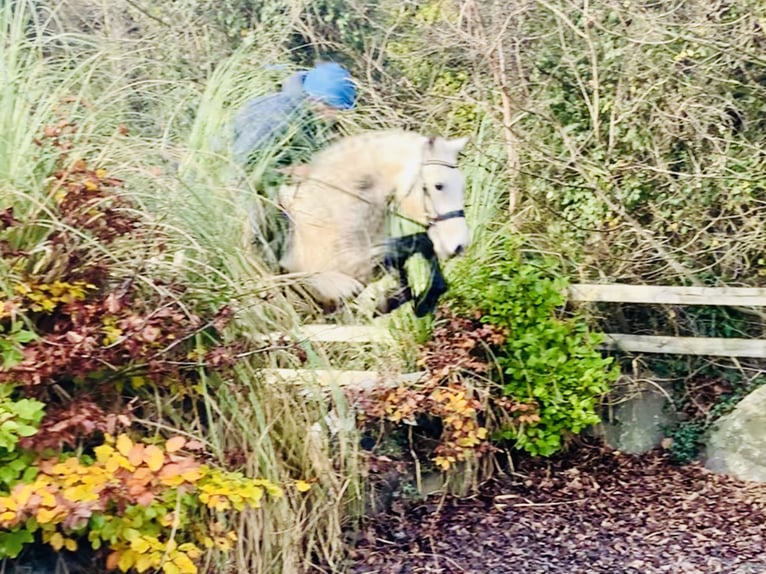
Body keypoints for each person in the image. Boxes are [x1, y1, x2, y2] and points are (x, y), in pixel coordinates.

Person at [230, 61, 357, 269]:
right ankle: (261, 278)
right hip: (238, 185)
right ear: (316, 100)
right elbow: (244, 165)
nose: (334, 115)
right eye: (332, 108)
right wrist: (293, 172)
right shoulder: (274, 113)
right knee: (264, 232)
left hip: (276, 185)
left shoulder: (314, 117)